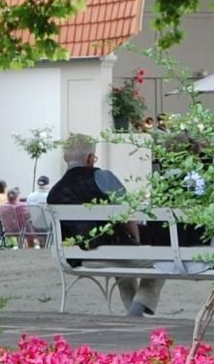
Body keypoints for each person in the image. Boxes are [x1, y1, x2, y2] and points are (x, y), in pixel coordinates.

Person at [46, 135, 162, 316]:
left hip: (75, 258)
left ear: (65, 159)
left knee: (123, 258)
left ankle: (134, 313)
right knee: (162, 261)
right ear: (90, 159)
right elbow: (128, 216)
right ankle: (137, 308)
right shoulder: (103, 177)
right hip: (112, 251)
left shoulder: (54, 192)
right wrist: (136, 241)